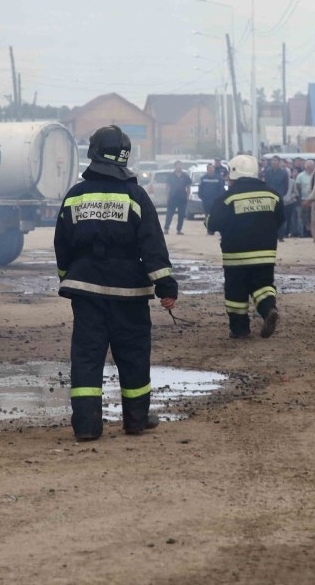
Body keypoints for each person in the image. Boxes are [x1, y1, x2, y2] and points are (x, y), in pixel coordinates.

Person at [54, 125, 178, 442]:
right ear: (124, 157)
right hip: (129, 292)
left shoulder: (75, 196)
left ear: (93, 154)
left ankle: (86, 425)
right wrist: (165, 286)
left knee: (87, 357)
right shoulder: (135, 195)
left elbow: (62, 245)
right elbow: (152, 245)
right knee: (134, 354)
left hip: (86, 292)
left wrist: (69, 279)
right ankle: (136, 420)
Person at [206, 155, 285, 339]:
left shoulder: (227, 198)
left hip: (236, 257)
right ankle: (268, 310)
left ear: (234, 173)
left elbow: (212, 223)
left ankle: (240, 329)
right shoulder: (272, 195)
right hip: (265, 255)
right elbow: (280, 220)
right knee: (263, 286)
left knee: (236, 292)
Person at [263, 156, 291, 240]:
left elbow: (286, 186)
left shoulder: (284, 172)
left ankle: (281, 235)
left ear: (279, 162)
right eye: (272, 160)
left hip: (279, 196)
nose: (273, 162)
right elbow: (266, 183)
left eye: (275, 160)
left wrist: (282, 194)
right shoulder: (268, 172)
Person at [163, 160, 192, 235]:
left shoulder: (185, 176)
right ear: (175, 166)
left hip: (182, 198)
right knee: (169, 214)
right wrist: (167, 196)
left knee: (181, 215)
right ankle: (166, 228)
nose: (179, 166)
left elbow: (188, 187)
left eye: (180, 165)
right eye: (177, 165)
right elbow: (167, 186)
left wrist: (188, 197)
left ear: (182, 166)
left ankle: (179, 230)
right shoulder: (171, 176)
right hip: (173, 198)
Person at [198, 162, 225, 235]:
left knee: (217, 216)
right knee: (207, 216)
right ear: (207, 169)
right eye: (209, 168)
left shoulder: (219, 178)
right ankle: (210, 230)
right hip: (206, 201)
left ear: (214, 169)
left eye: (212, 168)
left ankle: (220, 230)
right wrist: (202, 197)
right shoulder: (203, 178)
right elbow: (200, 189)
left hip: (216, 202)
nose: (210, 169)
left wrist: (219, 199)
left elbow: (221, 190)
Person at [295, 159, 315, 238]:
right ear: (306, 167)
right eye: (309, 167)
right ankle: (305, 233)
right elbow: (298, 187)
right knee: (304, 217)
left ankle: (312, 233)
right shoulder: (300, 176)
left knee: (313, 217)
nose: (311, 168)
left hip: (314, 200)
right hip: (304, 199)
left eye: (312, 166)